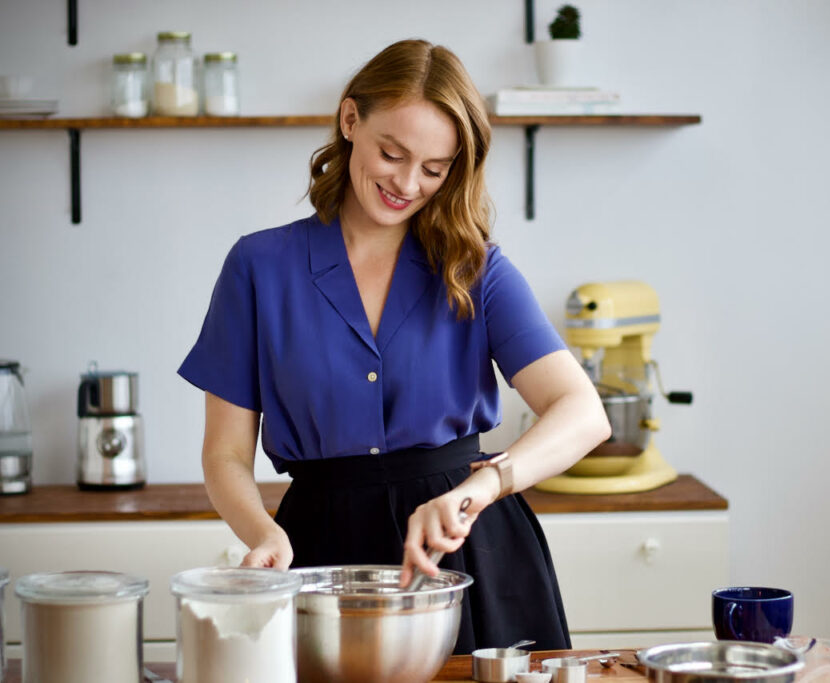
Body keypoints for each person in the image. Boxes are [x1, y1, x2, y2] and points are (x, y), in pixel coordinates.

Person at [178, 38, 610, 654]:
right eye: (392, 153)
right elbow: (224, 455)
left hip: (468, 556)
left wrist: (478, 490)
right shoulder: (258, 266)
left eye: (434, 170)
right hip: (319, 558)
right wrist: (263, 533)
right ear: (350, 120)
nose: (408, 183)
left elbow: (581, 411)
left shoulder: (476, 268)